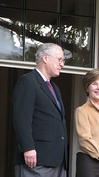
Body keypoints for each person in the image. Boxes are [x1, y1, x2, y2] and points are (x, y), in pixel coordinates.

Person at [12, 43, 68, 177]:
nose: (62, 65)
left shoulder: (54, 88)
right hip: (36, 160)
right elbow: (21, 119)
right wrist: (28, 148)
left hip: (57, 161)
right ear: (45, 58)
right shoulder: (28, 81)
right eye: (59, 59)